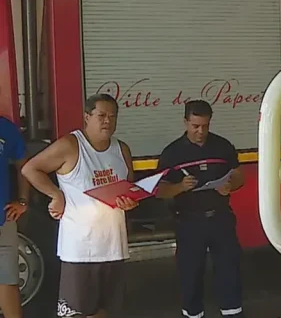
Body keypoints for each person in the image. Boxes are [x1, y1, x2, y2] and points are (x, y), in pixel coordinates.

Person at [21, 94, 138, 318]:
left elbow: (128, 188)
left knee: (107, 310)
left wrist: (129, 201)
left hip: (114, 245)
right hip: (81, 249)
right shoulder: (71, 145)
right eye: (101, 115)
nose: (107, 121)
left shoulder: (121, 149)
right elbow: (30, 169)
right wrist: (55, 194)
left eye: (112, 116)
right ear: (87, 117)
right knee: (76, 312)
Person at [156, 100, 245, 318]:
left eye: (205, 126)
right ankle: (193, 314)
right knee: (191, 274)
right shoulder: (172, 153)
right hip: (189, 221)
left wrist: (231, 185)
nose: (200, 131)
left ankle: (232, 312)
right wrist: (179, 187)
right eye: (195, 126)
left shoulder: (222, 146)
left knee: (229, 271)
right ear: (185, 122)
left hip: (220, 218)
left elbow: (238, 175)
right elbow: (159, 190)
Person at [0, 116, 29, 318]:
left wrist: (23, 201)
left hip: (4, 220)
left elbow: (23, 165)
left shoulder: (4, 127)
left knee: (8, 282)